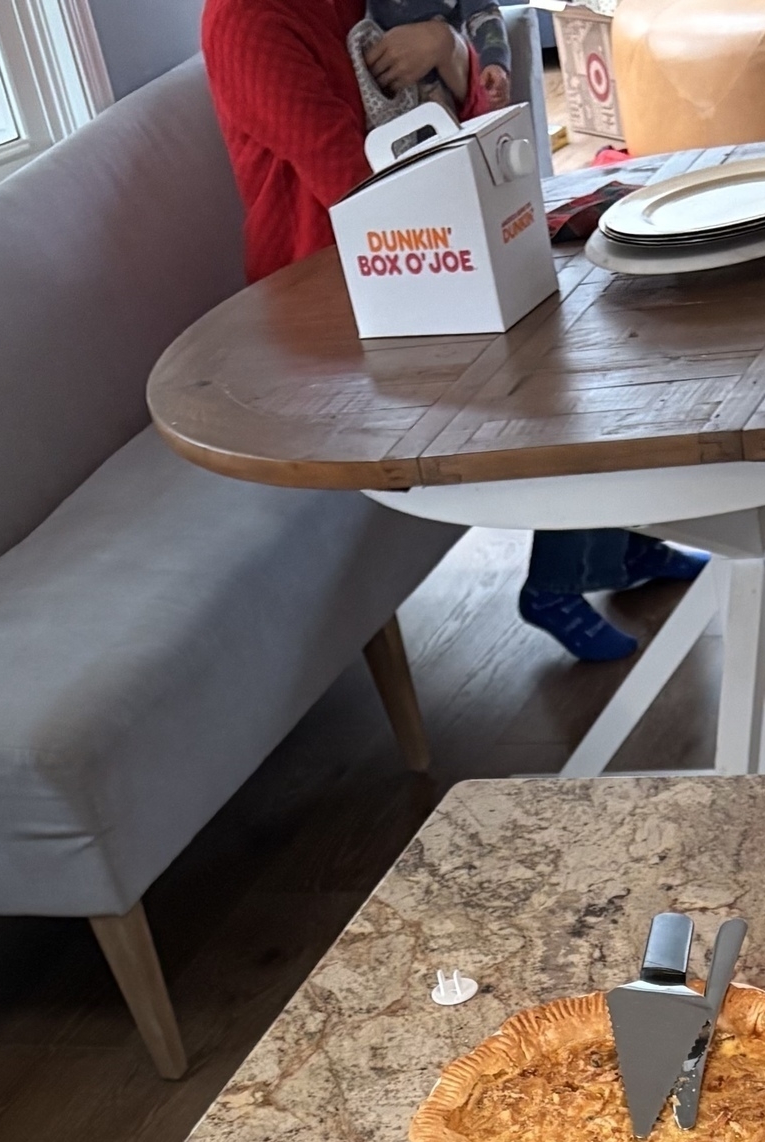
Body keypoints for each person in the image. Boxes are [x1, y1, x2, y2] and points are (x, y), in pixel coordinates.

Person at [201, 0, 704, 662]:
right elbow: (354, 186)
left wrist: (450, 51)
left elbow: (476, 131)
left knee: (604, 291)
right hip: (332, 298)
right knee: (559, 333)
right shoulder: (247, 21)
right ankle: (561, 577)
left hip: (419, 253)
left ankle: (607, 540)